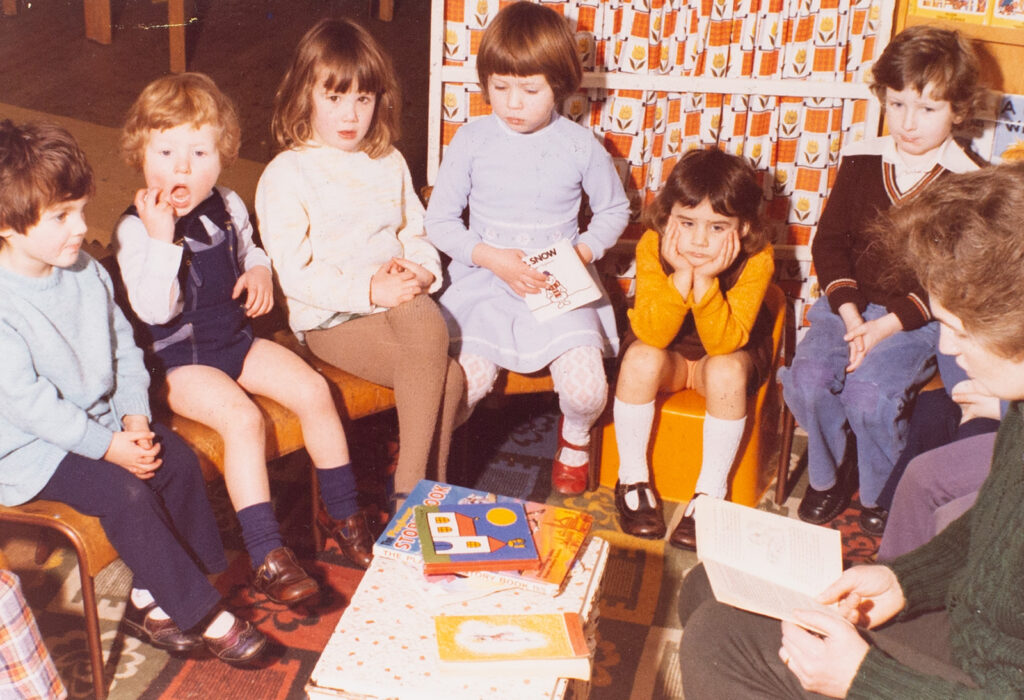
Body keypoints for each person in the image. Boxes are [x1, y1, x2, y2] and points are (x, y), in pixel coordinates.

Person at [679, 162, 1024, 699]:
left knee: (720, 639)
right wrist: (905, 580)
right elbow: (993, 528)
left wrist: (865, 679)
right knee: (713, 584)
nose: (949, 349)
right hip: (978, 644)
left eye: (959, 330)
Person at [0, 120, 265, 665]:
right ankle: (204, 613)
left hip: (95, 422)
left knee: (177, 462)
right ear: (7, 223)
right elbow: (27, 406)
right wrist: (107, 447)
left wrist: (135, 421)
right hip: (30, 449)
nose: (81, 229)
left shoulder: (84, 271)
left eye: (80, 209)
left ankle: (157, 594)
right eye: (61, 217)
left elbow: (125, 351)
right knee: (126, 492)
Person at [115, 73, 373, 610]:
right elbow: (152, 309)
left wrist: (259, 273)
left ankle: (344, 513)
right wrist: (162, 239)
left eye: (199, 151)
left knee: (311, 388)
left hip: (233, 342)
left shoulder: (228, 203)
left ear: (223, 156)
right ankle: (266, 555)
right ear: (140, 154)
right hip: (179, 362)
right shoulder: (137, 228)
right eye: (165, 150)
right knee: (243, 419)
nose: (181, 166)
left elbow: (251, 250)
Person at [779, 25, 986, 531]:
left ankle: (879, 491)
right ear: (882, 99)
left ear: (959, 111)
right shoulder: (861, 159)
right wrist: (850, 315)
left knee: (868, 397)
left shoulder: (967, 182)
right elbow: (829, 243)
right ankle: (827, 478)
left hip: (914, 318)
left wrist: (884, 328)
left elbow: (948, 280)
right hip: (845, 308)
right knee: (806, 382)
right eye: (897, 105)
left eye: (928, 108)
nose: (908, 123)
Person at [256, 18, 463, 515]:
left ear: (379, 101)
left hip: (394, 303)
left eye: (363, 100)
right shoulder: (288, 173)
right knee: (428, 332)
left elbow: (415, 231)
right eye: (334, 98)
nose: (350, 114)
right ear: (304, 95)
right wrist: (371, 290)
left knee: (450, 374)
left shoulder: (387, 160)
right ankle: (415, 494)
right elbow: (295, 273)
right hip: (332, 320)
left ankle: (418, 500)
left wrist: (424, 272)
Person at [424, 2, 629, 496]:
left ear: (560, 84)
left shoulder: (581, 145)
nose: (513, 103)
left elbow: (614, 211)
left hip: (555, 281)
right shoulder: (471, 140)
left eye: (530, 89)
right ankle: (436, 461)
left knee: (586, 390)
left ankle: (574, 437)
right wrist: (489, 256)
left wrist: (581, 254)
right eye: (500, 87)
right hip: (486, 284)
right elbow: (440, 221)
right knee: (459, 390)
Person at [612, 149, 774, 549]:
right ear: (667, 219)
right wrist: (682, 275)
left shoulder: (758, 258)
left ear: (744, 226)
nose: (700, 240)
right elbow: (652, 332)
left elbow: (725, 342)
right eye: (687, 223)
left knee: (725, 369)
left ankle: (710, 492)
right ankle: (632, 478)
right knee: (639, 358)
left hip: (721, 356)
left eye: (719, 228)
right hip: (667, 353)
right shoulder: (653, 245)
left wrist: (705, 281)